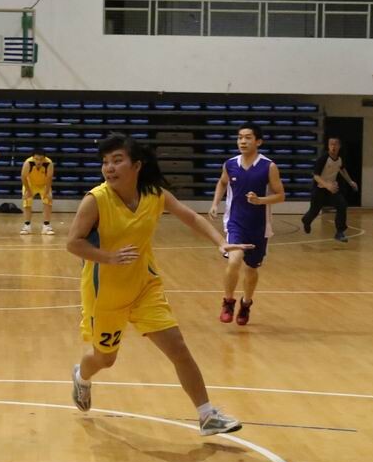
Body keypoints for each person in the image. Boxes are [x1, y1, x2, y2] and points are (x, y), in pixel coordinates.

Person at [67, 133, 248, 436]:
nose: (109, 167)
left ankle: (207, 415)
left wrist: (221, 242)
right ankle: (82, 377)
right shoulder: (95, 200)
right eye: (105, 162)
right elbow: (73, 243)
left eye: (117, 160)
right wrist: (108, 257)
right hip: (105, 295)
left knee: (178, 347)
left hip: (144, 287)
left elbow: (190, 217)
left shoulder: (154, 194)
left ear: (136, 165)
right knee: (105, 359)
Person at [207, 124, 285, 325]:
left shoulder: (269, 166)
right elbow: (222, 182)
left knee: (251, 268)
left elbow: (280, 195)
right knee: (234, 261)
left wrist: (260, 201)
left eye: (248, 137)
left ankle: (246, 303)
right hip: (235, 222)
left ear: (258, 141)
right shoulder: (230, 164)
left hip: (259, 226)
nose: (242, 141)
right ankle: (228, 302)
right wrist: (215, 203)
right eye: (240, 137)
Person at [301, 136, 358, 242]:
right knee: (314, 211)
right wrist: (327, 185)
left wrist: (350, 181)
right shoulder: (323, 159)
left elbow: (342, 169)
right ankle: (306, 221)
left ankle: (339, 232)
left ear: (339, 146)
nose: (333, 147)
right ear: (328, 146)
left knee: (342, 205)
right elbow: (316, 176)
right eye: (331, 144)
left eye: (335, 144)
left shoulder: (340, 159)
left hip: (332, 189)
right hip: (319, 189)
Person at [20, 147, 55, 235]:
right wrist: (28, 190)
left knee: (48, 201)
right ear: (33, 158)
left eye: (41, 159)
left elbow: (49, 178)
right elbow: (23, 177)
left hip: (44, 184)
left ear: (44, 158)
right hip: (30, 184)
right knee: (27, 202)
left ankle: (46, 226)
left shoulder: (49, 163)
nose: (39, 162)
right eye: (36, 159)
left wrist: (47, 192)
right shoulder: (28, 163)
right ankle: (27, 226)